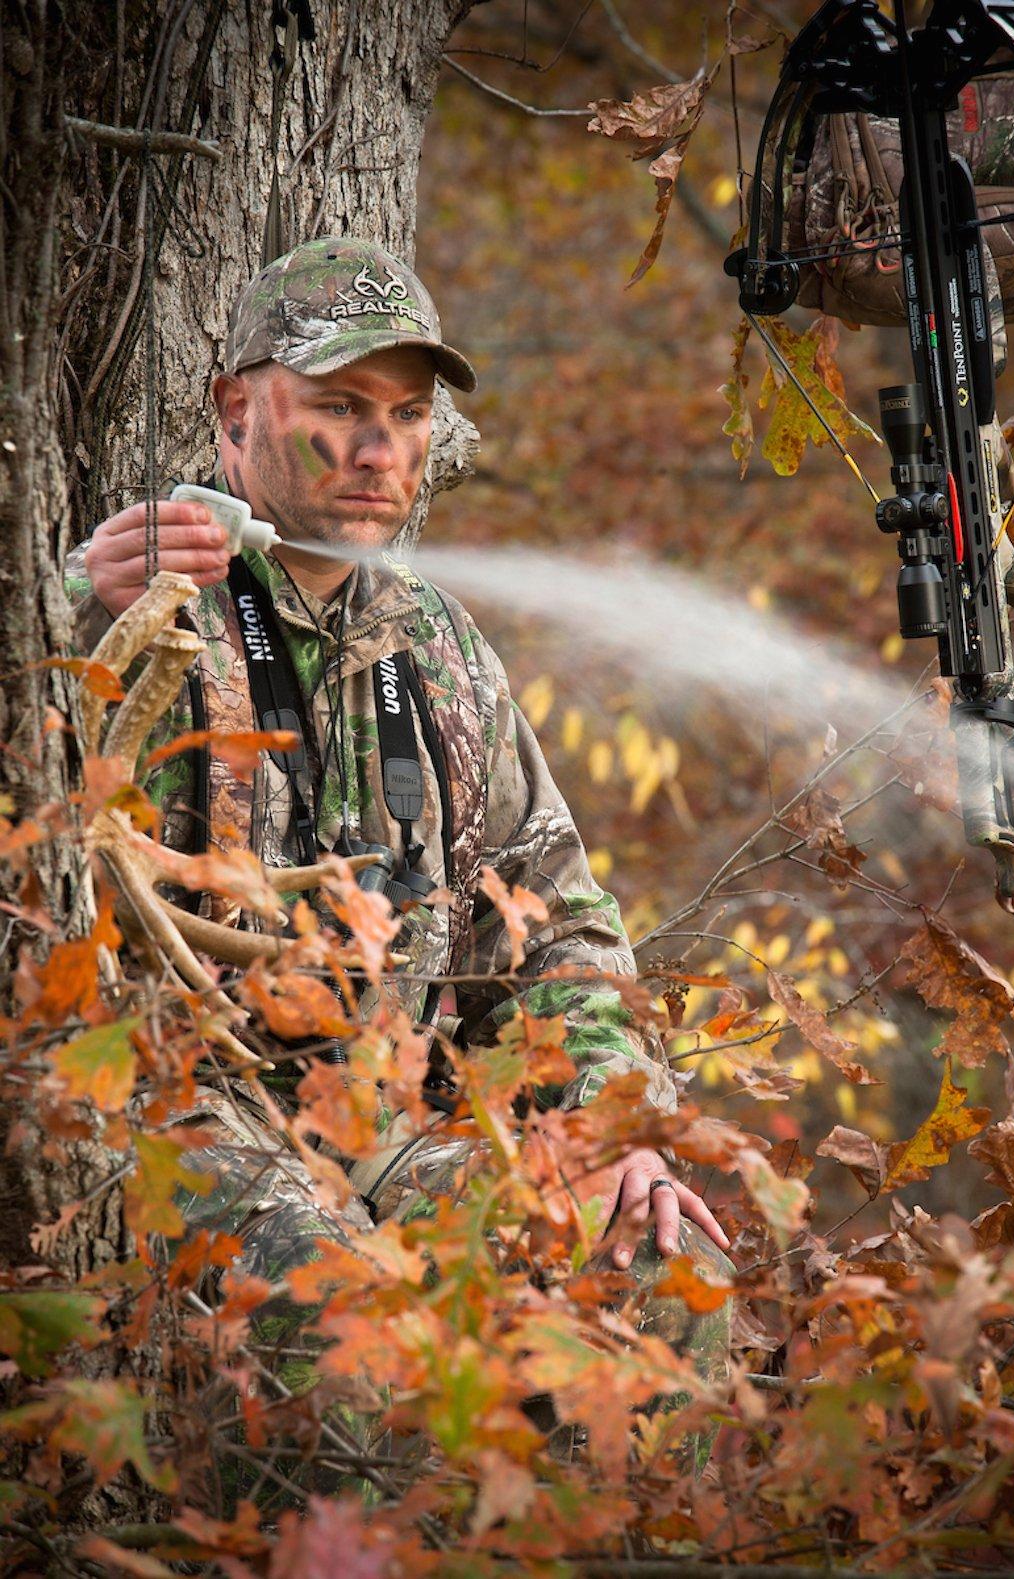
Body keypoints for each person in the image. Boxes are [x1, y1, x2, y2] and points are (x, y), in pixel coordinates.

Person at [66, 238, 732, 1464]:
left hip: (397, 1118)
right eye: (337, 408)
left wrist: (610, 1126)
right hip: (179, 1114)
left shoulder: (439, 640)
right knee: (363, 1362)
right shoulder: (139, 599)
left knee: (666, 1276)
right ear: (235, 413)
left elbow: (559, 924)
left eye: (408, 414)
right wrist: (58, 621)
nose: (379, 451)